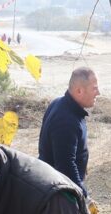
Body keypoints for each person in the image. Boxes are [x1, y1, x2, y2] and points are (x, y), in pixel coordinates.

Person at [39, 67, 100, 197]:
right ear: (79, 91)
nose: (98, 93)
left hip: (57, 185)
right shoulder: (66, 121)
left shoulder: (59, 103)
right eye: (94, 88)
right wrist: (84, 197)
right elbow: (66, 166)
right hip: (58, 192)